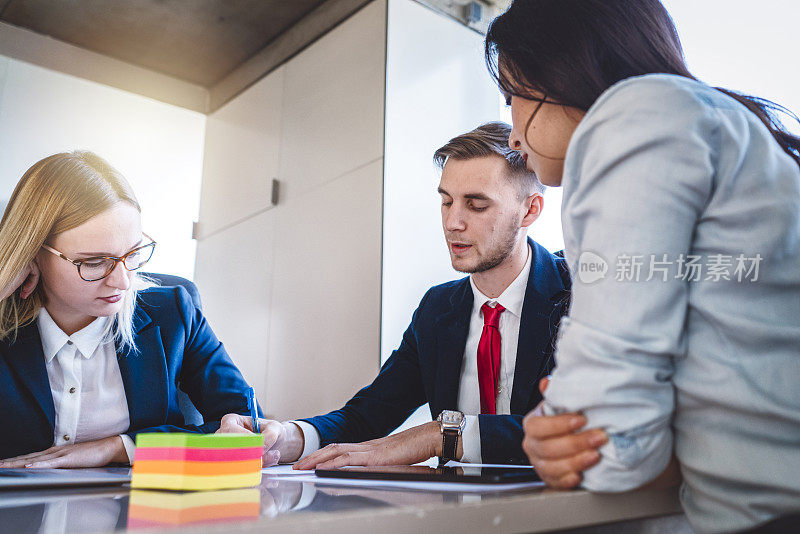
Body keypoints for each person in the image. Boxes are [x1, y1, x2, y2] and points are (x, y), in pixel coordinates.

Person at [484, 1, 800, 532]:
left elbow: (612, 450)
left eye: (513, 95)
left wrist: (559, 433)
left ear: (561, 68)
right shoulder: (711, 124)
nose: (513, 135)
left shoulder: (635, 118)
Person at [219, 122, 576, 469]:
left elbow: (582, 423)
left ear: (530, 210)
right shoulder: (437, 310)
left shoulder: (579, 294)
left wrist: (442, 435)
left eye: (476, 205)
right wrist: (287, 435)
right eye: (446, 202)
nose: (452, 222)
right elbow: (367, 416)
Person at [0, 151, 261, 467]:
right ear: (34, 253)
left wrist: (118, 448)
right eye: (95, 262)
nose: (122, 282)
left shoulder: (173, 315)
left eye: (134, 253)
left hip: (136, 510)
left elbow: (245, 425)